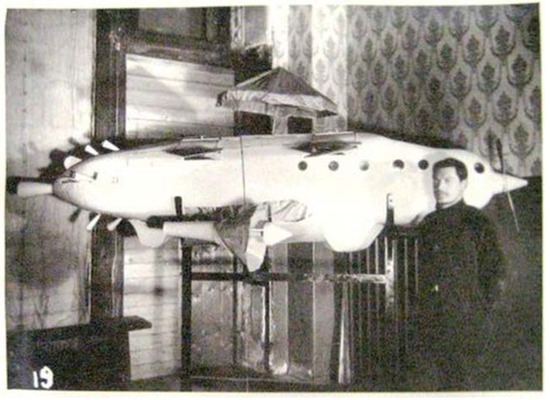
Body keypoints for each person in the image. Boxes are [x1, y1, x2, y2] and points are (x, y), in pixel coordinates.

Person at [407, 157, 505, 391]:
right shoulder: (427, 223)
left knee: (462, 382)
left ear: (463, 184)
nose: (439, 186)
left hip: (466, 320)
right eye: (436, 180)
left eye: (447, 180)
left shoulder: (477, 221)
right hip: (430, 318)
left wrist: (481, 310)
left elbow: (494, 269)